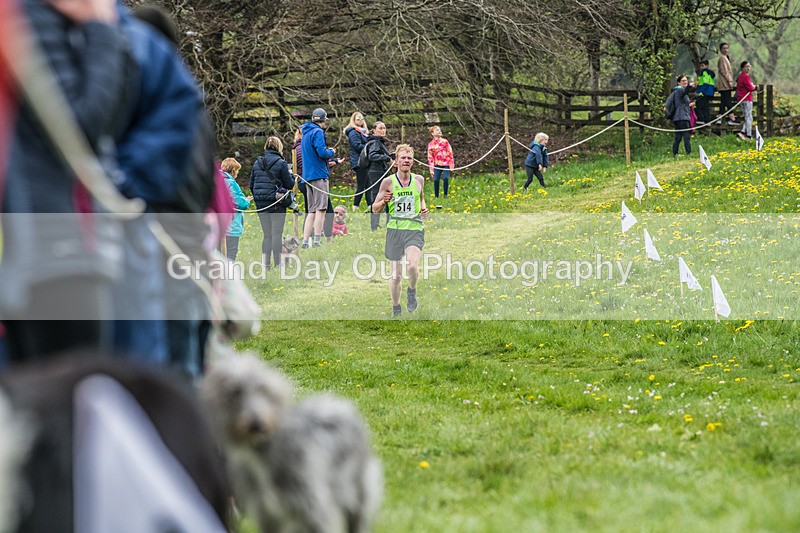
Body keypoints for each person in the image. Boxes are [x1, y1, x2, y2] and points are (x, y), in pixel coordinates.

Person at [1, 0, 129, 361]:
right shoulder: (33, 15)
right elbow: (80, 127)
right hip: (59, 240)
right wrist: (102, 32)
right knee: (73, 392)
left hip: (49, 237)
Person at [372, 144, 428, 317]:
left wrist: (424, 209)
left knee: (412, 266)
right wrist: (383, 202)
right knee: (396, 276)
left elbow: (421, 198)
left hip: (413, 228)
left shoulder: (419, 180)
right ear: (396, 161)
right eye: (403, 158)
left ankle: (411, 292)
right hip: (395, 230)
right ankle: (396, 308)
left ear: (413, 162)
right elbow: (374, 208)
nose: (406, 161)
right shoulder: (388, 182)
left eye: (409, 158)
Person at [300, 108, 342, 248]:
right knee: (321, 209)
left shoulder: (305, 133)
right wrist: (331, 151)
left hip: (307, 175)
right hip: (318, 174)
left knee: (311, 210)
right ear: (324, 120)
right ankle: (317, 240)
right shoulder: (318, 132)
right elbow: (322, 152)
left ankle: (305, 241)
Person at [250, 137, 295, 268]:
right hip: (276, 203)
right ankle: (277, 264)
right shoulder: (281, 163)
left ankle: (266, 265)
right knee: (276, 233)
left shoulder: (256, 163)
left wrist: (259, 197)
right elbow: (290, 184)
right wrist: (291, 174)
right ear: (279, 147)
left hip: (260, 203)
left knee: (267, 235)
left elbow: (251, 185)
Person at [364, 121, 394, 231]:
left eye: (384, 128)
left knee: (389, 195)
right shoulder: (375, 141)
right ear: (374, 130)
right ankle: (374, 225)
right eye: (380, 128)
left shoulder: (379, 142)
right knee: (377, 197)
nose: (383, 130)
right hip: (376, 172)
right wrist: (387, 158)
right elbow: (373, 156)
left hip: (383, 171)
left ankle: (388, 221)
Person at [222, 158, 251, 260]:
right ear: (233, 170)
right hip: (231, 225)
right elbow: (239, 203)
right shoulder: (231, 183)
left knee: (218, 255)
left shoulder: (215, 180)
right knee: (230, 254)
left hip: (217, 225)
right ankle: (228, 275)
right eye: (237, 170)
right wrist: (246, 201)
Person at [345, 112, 369, 211]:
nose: (360, 120)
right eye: (358, 119)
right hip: (359, 162)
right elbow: (357, 146)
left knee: (368, 185)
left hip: (365, 161)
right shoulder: (353, 132)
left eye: (361, 118)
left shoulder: (363, 132)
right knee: (362, 186)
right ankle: (355, 207)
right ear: (354, 120)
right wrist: (370, 147)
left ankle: (370, 206)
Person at [668, 75, 695, 157]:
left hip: (678, 117)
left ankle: (675, 153)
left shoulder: (678, 91)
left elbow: (681, 103)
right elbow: (685, 92)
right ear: (678, 83)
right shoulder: (679, 90)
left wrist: (689, 105)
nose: (685, 82)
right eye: (683, 81)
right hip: (682, 117)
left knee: (678, 137)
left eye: (686, 80)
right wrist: (689, 87)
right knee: (686, 136)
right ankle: (688, 153)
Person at [426, 125, 455, 199]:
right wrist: (431, 169)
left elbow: (450, 152)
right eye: (437, 130)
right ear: (432, 133)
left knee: (445, 178)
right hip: (437, 165)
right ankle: (436, 196)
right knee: (436, 180)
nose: (439, 131)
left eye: (440, 130)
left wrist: (451, 165)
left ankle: (445, 195)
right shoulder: (430, 145)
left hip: (446, 164)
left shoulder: (445, 142)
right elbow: (430, 158)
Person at [717, 42, 738, 124]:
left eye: (727, 48)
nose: (725, 50)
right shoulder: (722, 58)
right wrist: (730, 81)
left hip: (725, 84)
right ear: (721, 50)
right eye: (724, 48)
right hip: (724, 84)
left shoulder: (726, 58)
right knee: (727, 101)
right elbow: (724, 71)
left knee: (724, 101)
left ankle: (720, 117)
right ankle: (731, 118)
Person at [736, 61, 756, 141]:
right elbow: (751, 88)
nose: (748, 68)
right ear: (742, 68)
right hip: (746, 98)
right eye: (746, 66)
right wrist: (753, 86)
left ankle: (742, 132)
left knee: (747, 117)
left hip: (741, 99)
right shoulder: (745, 77)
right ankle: (748, 135)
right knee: (749, 117)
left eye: (749, 66)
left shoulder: (740, 76)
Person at [695, 59, 715, 125]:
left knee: (698, 105)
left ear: (707, 65)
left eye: (702, 65)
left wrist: (700, 91)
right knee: (705, 107)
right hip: (708, 92)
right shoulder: (708, 73)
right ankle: (707, 120)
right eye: (700, 66)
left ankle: (701, 119)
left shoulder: (705, 73)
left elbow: (705, 83)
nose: (701, 67)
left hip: (704, 92)